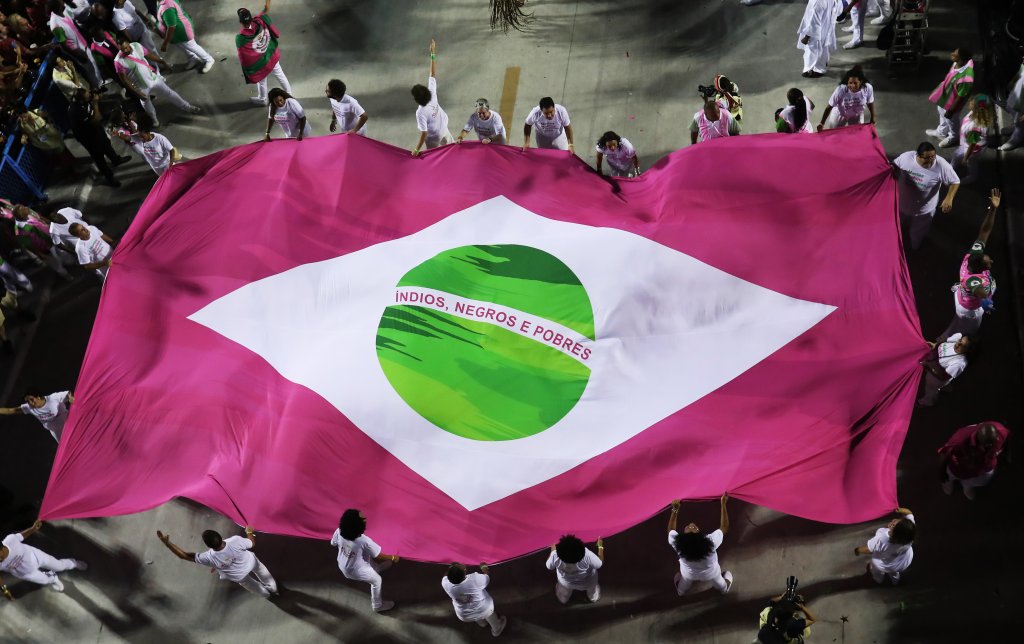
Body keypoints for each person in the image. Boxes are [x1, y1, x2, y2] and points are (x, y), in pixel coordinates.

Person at [937, 189, 1000, 341]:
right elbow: (979, 290)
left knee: (958, 322)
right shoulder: (973, 280)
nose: (991, 261)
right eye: (988, 263)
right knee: (969, 331)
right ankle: (950, 344)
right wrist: (986, 301)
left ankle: (945, 335)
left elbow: (984, 231)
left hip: (963, 299)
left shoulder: (973, 255)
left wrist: (993, 209)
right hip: (970, 310)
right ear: (979, 269)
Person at [156, 527, 279, 597]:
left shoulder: (208, 558)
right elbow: (252, 543)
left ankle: (267, 595)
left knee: (253, 586)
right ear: (220, 536)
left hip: (238, 576)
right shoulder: (235, 540)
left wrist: (167, 544)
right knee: (263, 573)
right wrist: (249, 532)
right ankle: (273, 588)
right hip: (252, 563)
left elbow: (184, 556)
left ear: (207, 544)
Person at [115, 36, 200, 128]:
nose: (126, 50)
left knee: (170, 93)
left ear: (128, 43)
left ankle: (188, 107)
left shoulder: (136, 46)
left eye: (126, 47)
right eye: (123, 50)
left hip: (154, 79)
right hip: (141, 87)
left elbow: (149, 55)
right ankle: (154, 120)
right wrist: (137, 93)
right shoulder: (118, 61)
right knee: (147, 105)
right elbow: (124, 80)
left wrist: (163, 62)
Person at [892, 142, 960, 250]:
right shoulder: (906, 158)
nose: (931, 160)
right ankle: (894, 242)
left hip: (924, 210)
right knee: (897, 224)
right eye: (927, 157)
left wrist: (949, 198)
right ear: (918, 155)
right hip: (901, 204)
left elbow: (955, 181)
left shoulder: (941, 165)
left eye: (933, 156)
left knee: (917, 231)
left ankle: (914, 246)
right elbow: (894, 166)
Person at [330, 509, 398, 612]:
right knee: (377, 580)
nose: (365, 519)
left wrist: (346, 547)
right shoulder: (363, 540)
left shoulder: (339, 531)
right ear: (357, 525)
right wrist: (392, 557)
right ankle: (377, 606)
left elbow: (333, 543)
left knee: (366, 554)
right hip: (355, 571)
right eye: (363, 519)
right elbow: (378, 555)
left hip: (342, 562)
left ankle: (377, 568)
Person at [667, 495, 734, 595]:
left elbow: (670, 530)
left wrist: (675, 509)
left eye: (689, 527)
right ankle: (724, 589)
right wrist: (723, 503)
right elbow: (724, 527)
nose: (691, 524)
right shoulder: (710, 541)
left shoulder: (678, 544)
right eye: (693, 527)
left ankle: (680, 591)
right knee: (719, 581)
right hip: (711, 573)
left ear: (684, 537)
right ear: (699, 532)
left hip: (689, 574)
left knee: (684, 582)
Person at [0, 521, 86, 594]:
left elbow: (22, 536)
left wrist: (33, 528)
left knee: (59, 566)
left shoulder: (11, 540)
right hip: (26, 574)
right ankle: (53, 578)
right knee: (45, 580)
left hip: (36, 557)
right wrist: (4, 590)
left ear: (2, 547)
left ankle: (73, 563)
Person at [68, 89, 131, 188]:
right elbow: (97, 119)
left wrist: (98, 97)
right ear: (81, 99)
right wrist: (95, 103)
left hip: (95, 130)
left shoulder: (82, 101)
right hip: (88, 137)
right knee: (99, 157)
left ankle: (115, 160)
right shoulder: (76, 110)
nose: (90, 95)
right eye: (88, 94)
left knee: (106, 144)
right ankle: (109, 178)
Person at [236, 1, 291, 106]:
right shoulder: (259, 20)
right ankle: (289, 94)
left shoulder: (241, 38)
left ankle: (263, 100)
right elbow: (265, 10)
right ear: (251, 17)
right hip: (271, 56)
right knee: (280, 75)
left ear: (241, 22)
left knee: (261, 81)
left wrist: (249, 69)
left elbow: (244, 58)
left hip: (259, 64)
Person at [938, 422, 1010, 500]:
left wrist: (1007, 453)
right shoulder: (960, 439)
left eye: (992, 444)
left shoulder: (1001, 432)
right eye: (985, 445)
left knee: (983, 480)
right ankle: (949, 481)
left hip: (981, 470)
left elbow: (1006, 440)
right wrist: (942, 472)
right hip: (960, 466)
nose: (989, 448)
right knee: (951, 474)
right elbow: (944, 454)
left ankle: (967, 485)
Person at [442, 562, 508, 637]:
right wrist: (484, 567)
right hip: (484, 609)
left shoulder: (446, 584)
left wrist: (451, 568)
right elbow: (486, 577)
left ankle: (482, 623)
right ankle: (497, 629)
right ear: (464, 571)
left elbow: (445, 575)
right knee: (489, 614)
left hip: (465, 615)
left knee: (474, 612)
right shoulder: (474, 579)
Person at [47, 0, 102, 88]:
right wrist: (78, 55)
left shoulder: (64, 11)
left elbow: (75, 13)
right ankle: (98, 87)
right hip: (78, 50)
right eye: (61, 1)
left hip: (82, 43)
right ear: (58, 5)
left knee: (93, 65)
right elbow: (63, 45)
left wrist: (88, 7)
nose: (63, 2)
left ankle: (100, 82)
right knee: (90, 69)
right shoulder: (55, 24)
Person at [926, 47, 974, 148]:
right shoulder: (956, 64)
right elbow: (949, 76)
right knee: (941, 111)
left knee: (952, 120)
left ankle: (954, 137)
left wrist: (951, 111)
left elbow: (961, 97)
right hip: (946, 96)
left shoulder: (966, 78)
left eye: (955, 54)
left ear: (961, 58)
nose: (952, 54)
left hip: (952, 103)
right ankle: (941, 132)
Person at [854, 507, 915, 585]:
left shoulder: (882, 539)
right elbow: (909, 513)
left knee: (876, 570)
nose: (893, 521)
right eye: (897, 521)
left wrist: (858, 550)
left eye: (893, 526)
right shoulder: (909, 530)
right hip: (902, 561)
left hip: (885, 564)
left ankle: (878, 580)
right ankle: (895, 581)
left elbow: (868, 549)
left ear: (895, 535)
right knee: (894, 572)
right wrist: (897, 509)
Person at [411, 39, 452, 154]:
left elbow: (424, 133)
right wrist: (433, 53)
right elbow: (432, 74)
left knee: (433, 156)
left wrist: (416, 149)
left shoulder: (420, 112)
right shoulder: (432, 93)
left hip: (434, 136)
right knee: (452, 147)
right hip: (444, 126)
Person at [156, 0, 214, 73]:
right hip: (176, 34)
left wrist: (165, 43)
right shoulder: (163, 2)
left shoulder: (167, 8)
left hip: (181, 32)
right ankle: (193, 59)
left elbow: (171, 27)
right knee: (183, 46)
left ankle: (209, 59)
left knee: (192, 46)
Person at [917, 333, 974, 407]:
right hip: (933, 365)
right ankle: (945, 387)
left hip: (936, 378)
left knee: (930, 389)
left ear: (968, 350)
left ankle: (927, 401)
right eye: (960, 340)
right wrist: (935, 345)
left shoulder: (959, 363)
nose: (957, 344)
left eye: (962, 345)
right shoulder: (957, 336)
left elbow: (943, 377)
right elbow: (944, 342)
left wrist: (928, 367)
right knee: (944, 384)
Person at [545, 534, 604, 603]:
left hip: (565, 582)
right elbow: (599, 563)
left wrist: (552, 551)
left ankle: (563, 599)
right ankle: (593, 598)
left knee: (563, 592)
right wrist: (600, 546)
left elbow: (549, 566)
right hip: (588, 582)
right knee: (592, 591)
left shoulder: (555, 556)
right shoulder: (587, 555)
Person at [0, 389, 73, 441]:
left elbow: (69, 393)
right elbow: (10, 410)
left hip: (68, 423)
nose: (30, 403)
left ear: (38, 396)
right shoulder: (29, 408)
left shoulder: (53, 398)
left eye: (31, 399)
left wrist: (71, 398)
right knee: (67, 449)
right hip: (57, 432)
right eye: (28, 401)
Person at [951, 94, 994, 183]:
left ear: (977, 110)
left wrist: (966, 158)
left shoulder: (975, 127)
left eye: (971, 103)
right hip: (966, 144)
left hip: (972, 150)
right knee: (956, 155)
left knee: (971, 163)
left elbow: (972, 145)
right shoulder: (975, 115)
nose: (969, 103)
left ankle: (972, 177)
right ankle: (951, 168)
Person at [817, 65, 875, 131]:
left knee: (856, 134)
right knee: (834, 134)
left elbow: (870, 102)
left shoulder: (867, 88)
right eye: (850, 83)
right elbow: (829, 107)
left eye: (855, 83)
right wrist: (822, 123)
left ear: (861, 81)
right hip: (840, 114)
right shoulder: (841, 90)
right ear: (847, 82)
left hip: (857, 115)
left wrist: (873, 117)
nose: (852, 85)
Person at [797, 0, 840, 78]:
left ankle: (810, 69)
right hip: (826, 27)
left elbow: (814, 22)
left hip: (816, 31)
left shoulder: (817, 2)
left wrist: (807, 37)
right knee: (824, 47)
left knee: (812, 50)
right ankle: (822, 65)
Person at [998, 57, 1023, 151]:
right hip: (1017, 96)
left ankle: (1016, 138)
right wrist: (1012, 82)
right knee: (1014, 114)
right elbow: (1021, 69)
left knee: (1020, 122)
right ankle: (1016, 126)